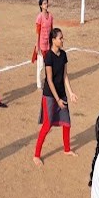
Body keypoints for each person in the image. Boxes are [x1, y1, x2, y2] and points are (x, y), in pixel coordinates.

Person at [33, 28, 78, 166]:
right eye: (60, 38)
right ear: (53, 40)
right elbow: (50, 80)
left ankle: (66, 149)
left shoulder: (63, 55)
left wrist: (70, 93)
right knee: (47, 125)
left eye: (62, 38)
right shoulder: (49, 57)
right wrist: (57, 99)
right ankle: (36, 155)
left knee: (67, 123)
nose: (62, 40)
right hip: (50, 96)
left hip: (61, 93)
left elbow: (65, 75)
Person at [33, 0, 54, 89]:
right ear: (41, 6)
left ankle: (48, 81)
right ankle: (38, 84)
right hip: (41, 44)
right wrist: (37, 45)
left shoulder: (51, 16)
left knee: (48, 64)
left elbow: (52, 30)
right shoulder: (39, 17)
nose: (46, 5)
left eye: (47, 3)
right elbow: (38, 32)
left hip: (48, 44)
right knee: (40, 66)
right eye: (44, 3)